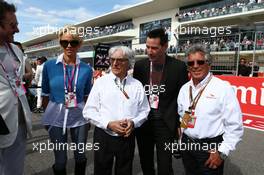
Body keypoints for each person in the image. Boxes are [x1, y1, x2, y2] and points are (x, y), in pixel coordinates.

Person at [83, 46, 150, 175]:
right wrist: (108, 123)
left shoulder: (137, 85)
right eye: (112, 59)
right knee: (101, 171)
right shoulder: (100, 83)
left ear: (129, 62)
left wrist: (133, 122)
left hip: (127, 136)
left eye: (120, 60)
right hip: (104, 135)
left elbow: (144, 111)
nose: (115, 63)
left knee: (125, 171)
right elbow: (89, 111)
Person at [177, 44, 243, 175]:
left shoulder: (223, 88)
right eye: (191, 63)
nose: (195, 66)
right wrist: (181, 141)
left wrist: (222, 152)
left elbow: (235, 126)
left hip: (211, 148)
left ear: (209, 64)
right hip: (187, 145)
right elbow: (183, 115)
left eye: (200, 62)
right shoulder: (185, 88)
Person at [133, 28, 188, 175]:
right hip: (144, 122)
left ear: (165, 46)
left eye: (154, 48)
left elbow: (185, 100)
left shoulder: (178, 67)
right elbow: (136, 95)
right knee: (146, 162)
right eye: (148, 47)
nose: (150, 51)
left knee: (165, 166)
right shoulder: (140, 66)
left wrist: (182, 125)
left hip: (166, 123)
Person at [41, 26, 93, 175]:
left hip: (79, 116)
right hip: (56, 116)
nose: (69, 46)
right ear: (60, 43)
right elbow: (45, 93)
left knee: (80, 155)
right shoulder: (49, 66)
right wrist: (47, 117)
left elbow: (86, 96)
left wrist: (88, 118)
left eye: (73, 42)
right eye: (64, 42)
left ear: (80, 44)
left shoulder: (86, 69)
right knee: (60, 160)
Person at [0, 1, 32, 174]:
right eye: (13, 25)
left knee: (14, 169)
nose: (18, 30)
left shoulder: (15, 50)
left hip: (19, 122)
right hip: (1, 121)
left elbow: (17, 81)